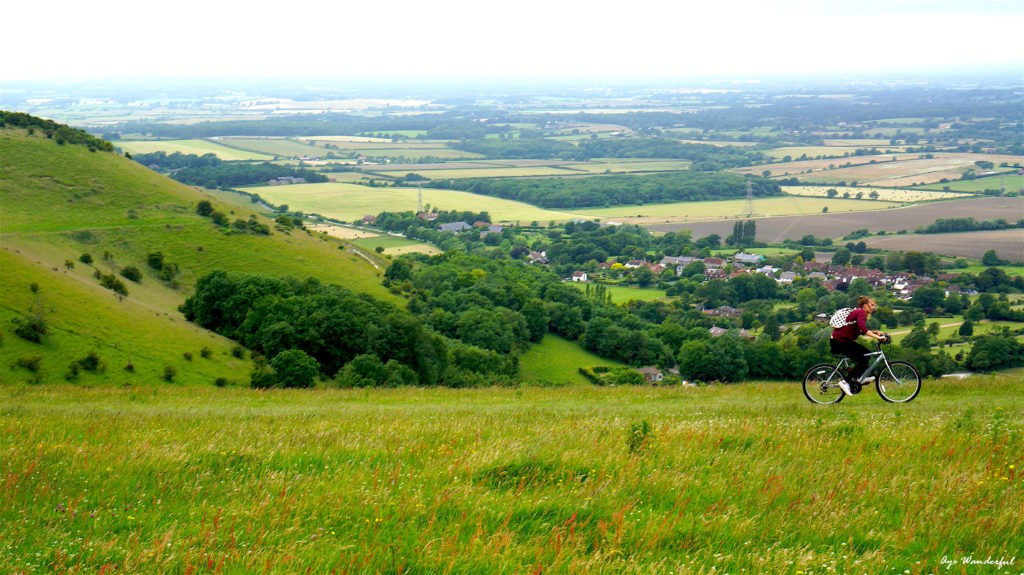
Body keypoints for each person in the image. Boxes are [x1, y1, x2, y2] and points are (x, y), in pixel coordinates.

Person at [830, 296, 885, 396]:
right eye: (872, 305)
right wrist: (878, 337)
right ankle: (845, 382)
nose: (873, 307)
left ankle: (859, 377)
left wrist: (876, 332)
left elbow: (860, 330)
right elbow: (863, 330)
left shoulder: (859, 312)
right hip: (840, 342)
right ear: (865, 306)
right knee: (865, 355)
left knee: (866, 355)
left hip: (841, 341)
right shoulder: (861, 312)